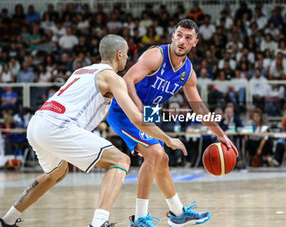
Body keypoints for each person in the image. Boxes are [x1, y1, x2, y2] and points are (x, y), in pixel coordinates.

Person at [0, 35, 186, 227]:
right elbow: (136, 118)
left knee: (56, 174)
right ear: (119, 54)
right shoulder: (113, 78)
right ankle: (99, 223)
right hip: (59, 126)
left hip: (37, 124)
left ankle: (7, 220)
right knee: (121, 161)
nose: (127, 58)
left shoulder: (81, 71)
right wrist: (168, 139)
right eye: (127, 54)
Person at [107, 19, 238, 227]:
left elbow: (199, 108)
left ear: (195, 42)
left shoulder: (187, 71)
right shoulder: (157, 55)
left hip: (148, 112)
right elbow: (127, 80)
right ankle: (139, 219)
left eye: (187, 37)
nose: (181, 41)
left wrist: (221, 134)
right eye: (178, 35)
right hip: (124, 109)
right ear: (172, 36)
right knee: (155, 153)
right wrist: (139, 106)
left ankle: (177, 213)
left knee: (162, 159)